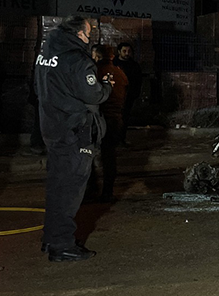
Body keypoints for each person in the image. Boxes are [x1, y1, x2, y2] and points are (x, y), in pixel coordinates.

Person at [35, 15, 112, 262]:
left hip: (52, 127)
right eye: (88, 33)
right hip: (74, 132)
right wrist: (106, 86)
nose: (90, 37)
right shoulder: (77, 59)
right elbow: (93, 95)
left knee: (57, 187)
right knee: (70, 191)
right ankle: (62, 245)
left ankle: (51, 238)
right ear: (80, 34)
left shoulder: (46, 53)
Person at [91, 44, 128, 202]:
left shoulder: (95, 72)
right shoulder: (120, 73)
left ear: (97, 56)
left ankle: (92, 190)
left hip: (99, 119)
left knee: (88, 155)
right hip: (115, 118)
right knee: (109, 156)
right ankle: (108, 191)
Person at [112, 42, 142, 144]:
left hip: (128, 96)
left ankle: (122, 139)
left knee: (125, 117)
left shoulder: (134, 66)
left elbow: (138, 81)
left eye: (129, 51)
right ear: (119, 51)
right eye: (124, 51)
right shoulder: (113, 64)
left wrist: (134, 94)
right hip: (114, 96)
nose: (127, 53)